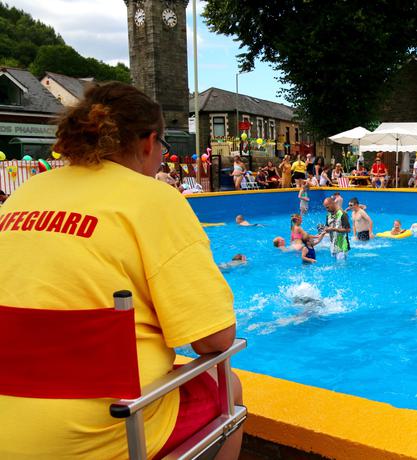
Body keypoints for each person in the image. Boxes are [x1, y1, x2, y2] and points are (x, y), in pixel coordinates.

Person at [0, 82, 242, 458]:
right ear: (148, 142)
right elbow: (214, 340)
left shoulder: (24, 194)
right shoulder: (153, 199)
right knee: (228, 384)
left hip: (8, 427)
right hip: (108, 435)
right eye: (162, 147)